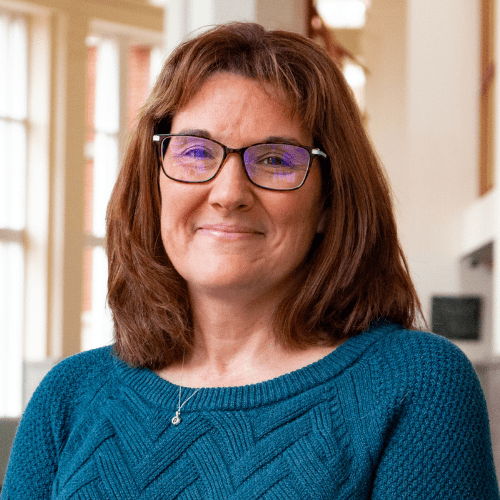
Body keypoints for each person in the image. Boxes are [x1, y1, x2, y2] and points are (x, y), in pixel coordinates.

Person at [2, 22, 499, 499]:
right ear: (154, 185)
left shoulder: (416, 385)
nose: (228, 193)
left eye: (276, 159)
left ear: (328, 200)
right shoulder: (69, 396)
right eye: (195, 151)